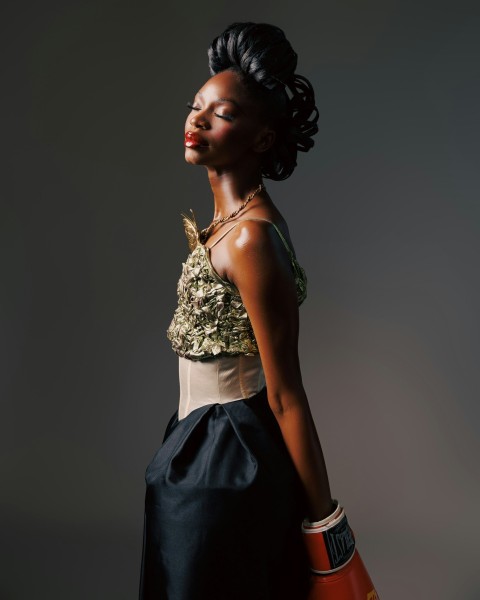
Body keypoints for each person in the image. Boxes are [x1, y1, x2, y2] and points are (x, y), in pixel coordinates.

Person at [139, 22, 379, 600]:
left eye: (218, 114)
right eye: (195, 107)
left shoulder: (250, 239)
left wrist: (325, 525)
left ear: (263, 139)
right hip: (194, 449)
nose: (196, 120)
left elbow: (285, 393)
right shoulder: (226, 226)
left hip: (229, 465)